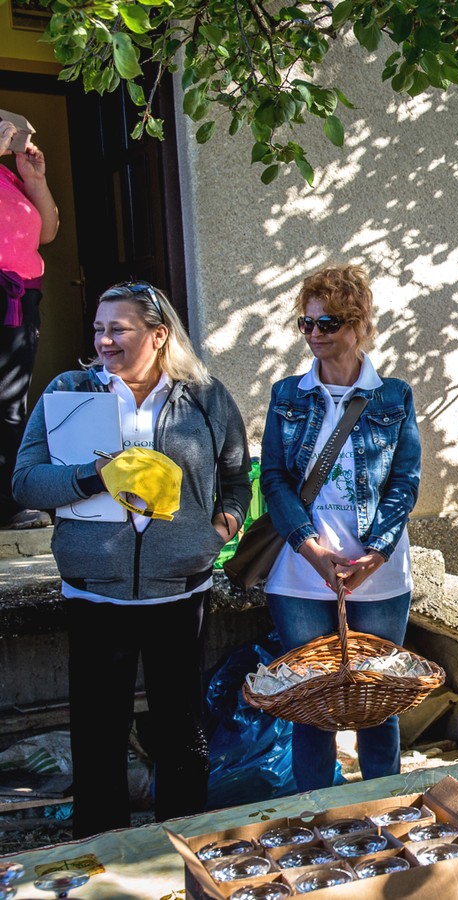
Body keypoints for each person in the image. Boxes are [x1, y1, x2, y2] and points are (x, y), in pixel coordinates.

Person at [13, 281, 249, 837]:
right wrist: (94, 475)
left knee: (182, 729)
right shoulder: (70, 392)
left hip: (180, 589)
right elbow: (25, 483)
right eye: (99, 329)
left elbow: (237, 477)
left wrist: (220, 529)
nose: (104, 340)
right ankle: (102, 851)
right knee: (98, 731)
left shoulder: (206, 397)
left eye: (118, 329)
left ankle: (185, 842)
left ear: (159, 335)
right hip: (96, 591)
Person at [261, 264, 421, 792]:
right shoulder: (287, 393)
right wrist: (310, 550)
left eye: (326, 324)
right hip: (300, 576)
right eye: (306, 325)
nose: (314, 335)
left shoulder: (393, 395)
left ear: (357, 325)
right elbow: (276, 481)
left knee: (380, 704)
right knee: (310, 708)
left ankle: (387, 811)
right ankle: (315, 820)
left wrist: (375, 551)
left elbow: (405, 479)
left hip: (378, 575)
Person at [0, 115, 59, 529]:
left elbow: (48, 231)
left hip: (21, 297)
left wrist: (33, 178)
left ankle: (10, 501)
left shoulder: (8, 178)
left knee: (9, 400)